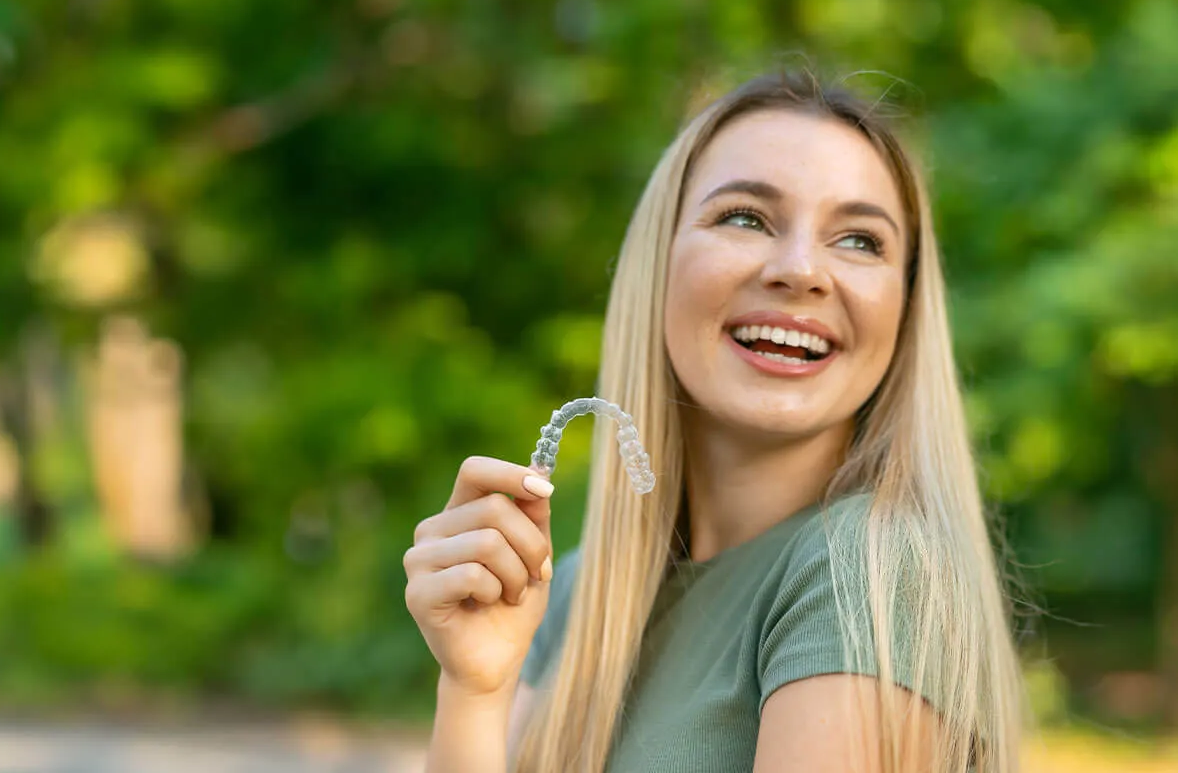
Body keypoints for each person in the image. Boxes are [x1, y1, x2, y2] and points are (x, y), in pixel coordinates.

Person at [402, 67, 1026, 772]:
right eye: (745, 218)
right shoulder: (573, 592)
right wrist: (473, 689)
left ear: (906, 308)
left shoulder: (869, 571)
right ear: (657, 265)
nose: (801, 270)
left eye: (859, 240)